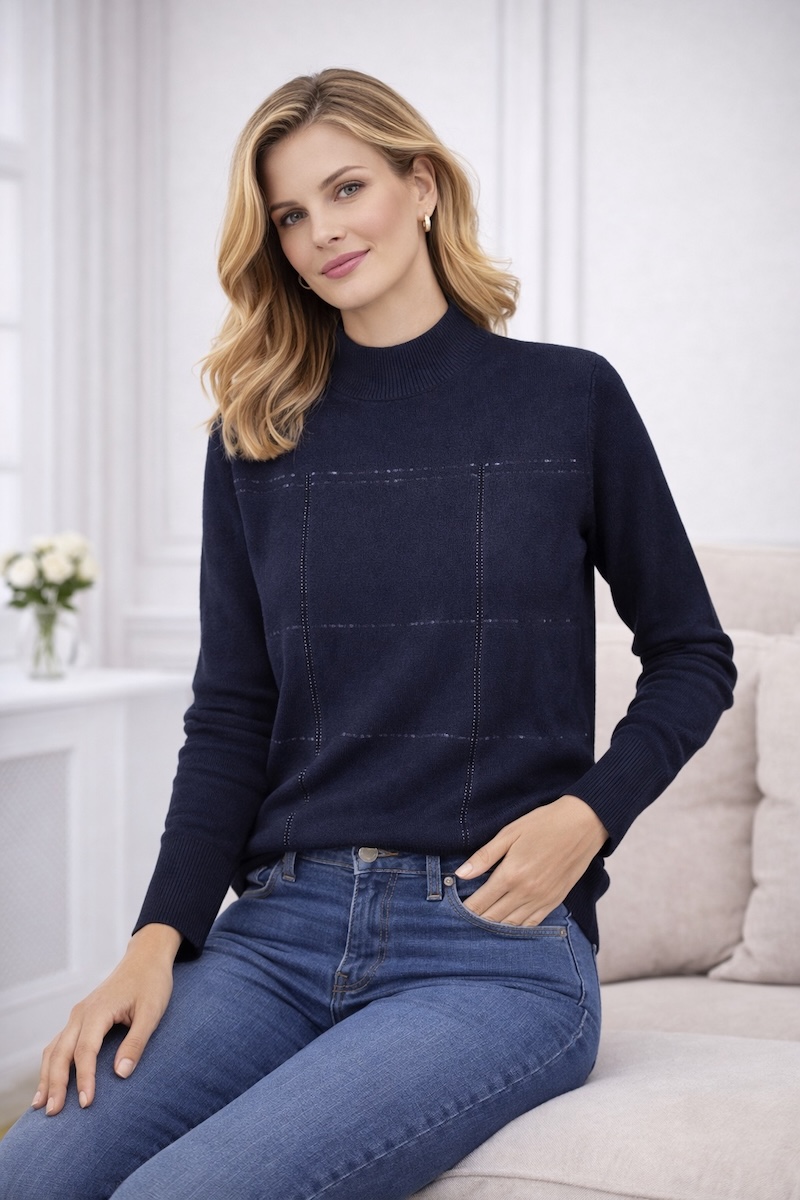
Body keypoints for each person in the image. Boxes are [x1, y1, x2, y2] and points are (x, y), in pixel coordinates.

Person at [0, 67, 736, 1199]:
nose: (323, 232)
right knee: (32, 1173)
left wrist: (588, 817)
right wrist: (156, 940)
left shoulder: (568, 399)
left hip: (491, 951)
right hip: (278, 931)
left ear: (422, 185)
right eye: (291, 215)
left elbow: (691, 652)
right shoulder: (257, 434)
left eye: (347, 189)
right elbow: (231, 714)